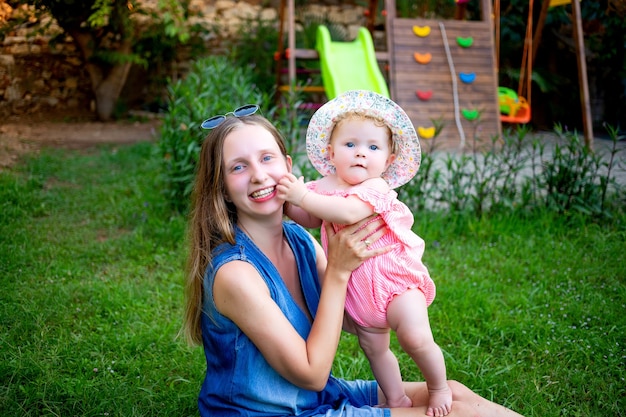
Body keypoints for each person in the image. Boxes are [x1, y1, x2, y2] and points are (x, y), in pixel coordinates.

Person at [182, 105, 525, 417]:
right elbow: (313, 374)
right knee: (463, 416)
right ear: (223, 188)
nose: (258, 175)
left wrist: (393, 293)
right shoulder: (235, 273)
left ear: (288, 166)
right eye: (238, 167)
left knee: (456, 395)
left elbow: (346, 320)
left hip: (316, 398)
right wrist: (339, 270)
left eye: (267, 159)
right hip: (274, 412)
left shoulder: (300, 240)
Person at [277, 90, 446, 415]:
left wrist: (301, 197)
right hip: (360, 294)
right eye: (350, 145)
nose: (360, 154)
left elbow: (349, 214)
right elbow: (311, 216)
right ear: (331, 152)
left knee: (414, 338)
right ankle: (395, 398)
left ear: (388, 160)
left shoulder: (375, 188)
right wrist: (288, 203)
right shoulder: (322, 188)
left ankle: (437, 387)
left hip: (396, 285)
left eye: (373, 147)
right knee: (375, 350)